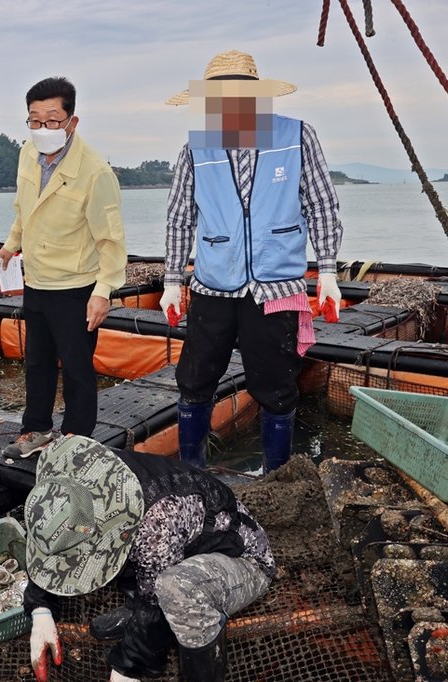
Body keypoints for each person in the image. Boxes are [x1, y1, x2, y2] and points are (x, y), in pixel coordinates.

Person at [159, 50, 343, 473]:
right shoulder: (195, 148)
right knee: (195, 381)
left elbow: (321, 206)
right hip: (212, 284)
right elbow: (179, 216)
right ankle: (192, 473)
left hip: (275, 287)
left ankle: (275, 476)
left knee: (276, 386)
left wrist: (328, 271)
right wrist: (171, 280)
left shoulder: (297, 137)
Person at [24, 434, 275, 682]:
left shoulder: (158, 519)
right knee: (138, 558)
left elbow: (156, 596)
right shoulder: (74, 479)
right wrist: (41, 610)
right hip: (172, 549)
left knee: (176, 589)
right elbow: (50, 540)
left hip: (242, 561)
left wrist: (127, 667)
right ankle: (137, 613)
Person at [0, 77, 127, 459]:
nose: (43, 129)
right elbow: (23, 208)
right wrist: (11, 244)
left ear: (72, 121)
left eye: (52, 120)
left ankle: (76, 440)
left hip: (76, 285)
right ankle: (36, 429)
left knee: (76, 368)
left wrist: (103, 291)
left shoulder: (95, 171)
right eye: (34, 120)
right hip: (37, 279)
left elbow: (111, 240)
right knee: (36, 361)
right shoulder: (27, 154)